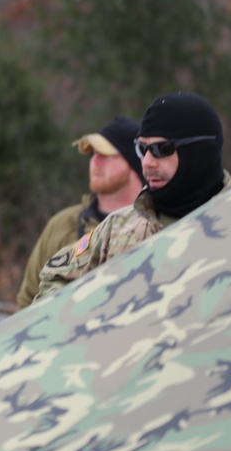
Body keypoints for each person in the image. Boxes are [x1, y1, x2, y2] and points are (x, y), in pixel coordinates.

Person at [36, 91, 231, 300]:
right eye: (142, 148)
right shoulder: (118, 228)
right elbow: (55, 278)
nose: (147, 162)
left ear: (199, 152)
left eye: (161, 149)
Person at [15, 116, 144, 309]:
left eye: (106, 154)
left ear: (135, 163)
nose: (95, 161)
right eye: (93, 154)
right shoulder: (62, 225)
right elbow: (27, 303)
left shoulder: (158, 224)